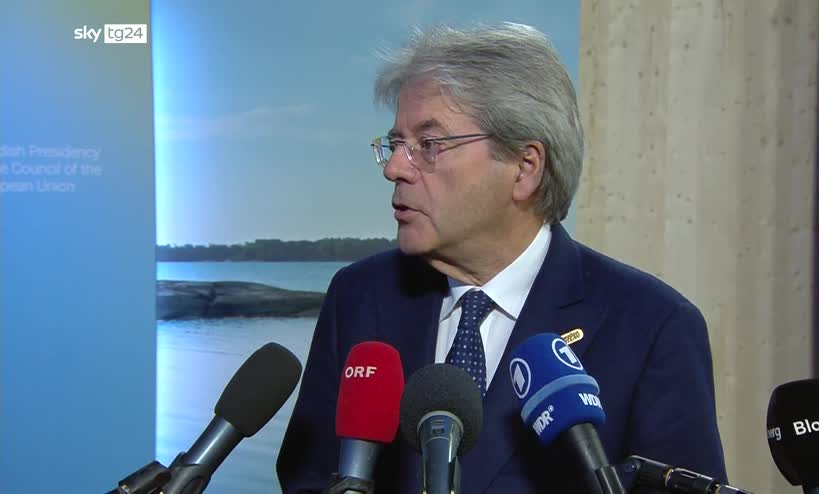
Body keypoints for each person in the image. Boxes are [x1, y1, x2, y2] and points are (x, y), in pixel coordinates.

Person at [277, 23, 726, 493]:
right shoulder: (358, 297)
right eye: (396, 144)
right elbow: (307, 479)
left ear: (524, 168)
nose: (394, 168)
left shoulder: (653, 327)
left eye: (429, 145)